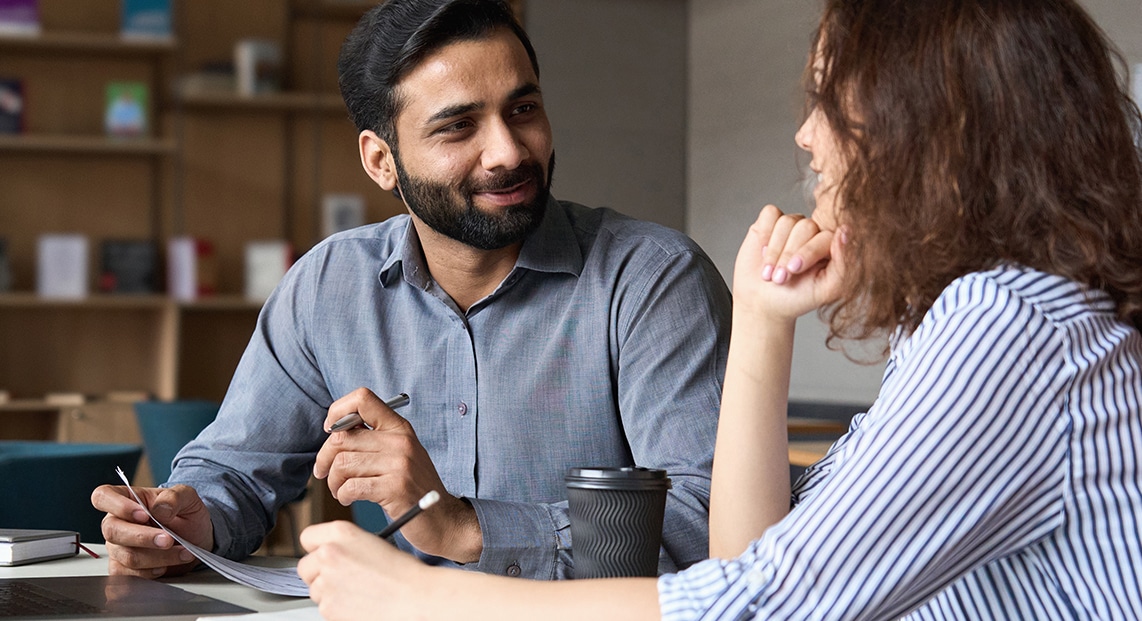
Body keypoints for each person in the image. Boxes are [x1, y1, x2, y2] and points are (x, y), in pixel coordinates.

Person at [295, 0, 1142, 618]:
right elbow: (752, 557)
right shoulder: (985, 318)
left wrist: (426, 594)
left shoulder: (1011, 326)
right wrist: (766, 323)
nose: (807, 138)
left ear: (922, 127)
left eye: (826, 102)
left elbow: (758, 602)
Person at [91, 0, 731, 581]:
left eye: (523, 109)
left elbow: (712, 523)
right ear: (380, 161)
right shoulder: (329, 287)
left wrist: (465, 528)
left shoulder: (652, 278)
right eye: (458, 127)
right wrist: (186, 523)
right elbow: (234, 472)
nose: (508, 150)